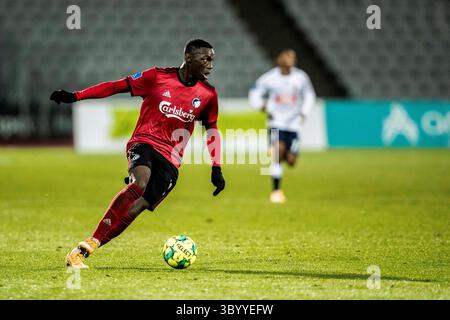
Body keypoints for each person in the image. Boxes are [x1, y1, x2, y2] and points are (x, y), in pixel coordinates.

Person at [50, 39, 225, 268]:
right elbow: (116, 86)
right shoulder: (156, 77)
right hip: (145, 142)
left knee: (138, 206)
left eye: (212, 59)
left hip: (171, 160)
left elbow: (211, 129)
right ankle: (86, 244)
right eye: (205, 59)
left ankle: (90, 246)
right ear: (188, 58)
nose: (210, 65)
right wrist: (76, 96)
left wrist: (216, 167)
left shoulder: (208, 94)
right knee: (140, 182)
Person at [248, 49, 315, 203]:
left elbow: (309, 95)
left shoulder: (300, 77)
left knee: (291, 161)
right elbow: (255, 91)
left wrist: (304, 113)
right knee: (278, 155)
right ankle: (276, 191)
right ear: (280, 59)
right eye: (287, 56)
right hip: (276, 122)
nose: (290, 59)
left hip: (293, 124)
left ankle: (284, 152)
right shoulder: (270, 78)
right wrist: (261, 105)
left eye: (293, 56)